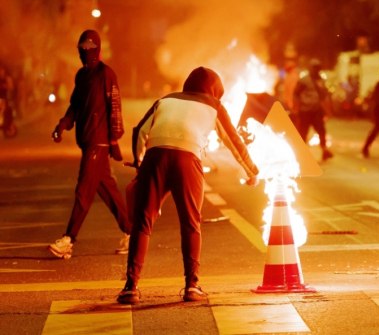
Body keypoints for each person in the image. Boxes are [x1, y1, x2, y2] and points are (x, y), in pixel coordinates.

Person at [117, 67, 259, 305]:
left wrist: (140, 164)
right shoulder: (214, 107)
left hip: (155, 157)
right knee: (191, 223)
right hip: (187, 160)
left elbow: (140, 132)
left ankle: (130, 287)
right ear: (214, 90)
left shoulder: (165, 100)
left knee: (143, 222)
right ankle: (191, 286)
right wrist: (251, 171)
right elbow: (233, 141)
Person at [48, 29, 131, 259]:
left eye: (89, 48)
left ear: (98, 49)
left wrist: (114, 138)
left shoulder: (107, 75)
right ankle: (131, 232)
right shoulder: (82, 76)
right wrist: (63, 124)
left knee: (83, 190)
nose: (86, 52)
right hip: (87, 141)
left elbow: (115, 107)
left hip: (99, 142)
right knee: (107, 190)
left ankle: (69, 239)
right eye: (82, 49)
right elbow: (75, 105)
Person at [293, 59, 333, 160]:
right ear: (311, 69)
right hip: (305, 110)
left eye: (318, 68)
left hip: (316, 110)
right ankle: (300, 154)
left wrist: (327, 110)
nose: (317, 70)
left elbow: (324, 96)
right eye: (315, 68)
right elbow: (296, 94)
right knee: (303, 132)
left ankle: (324, 150)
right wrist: (296, 108)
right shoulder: (304, 80)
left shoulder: (321, 80)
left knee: (321, 131)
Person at [0, 64, 16, 137]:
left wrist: (5, 86)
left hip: (5, 99)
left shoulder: (7, 79)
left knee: (6, 111)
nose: (1, 72)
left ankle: (7, 124)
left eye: (2, 71)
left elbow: (11, 88)